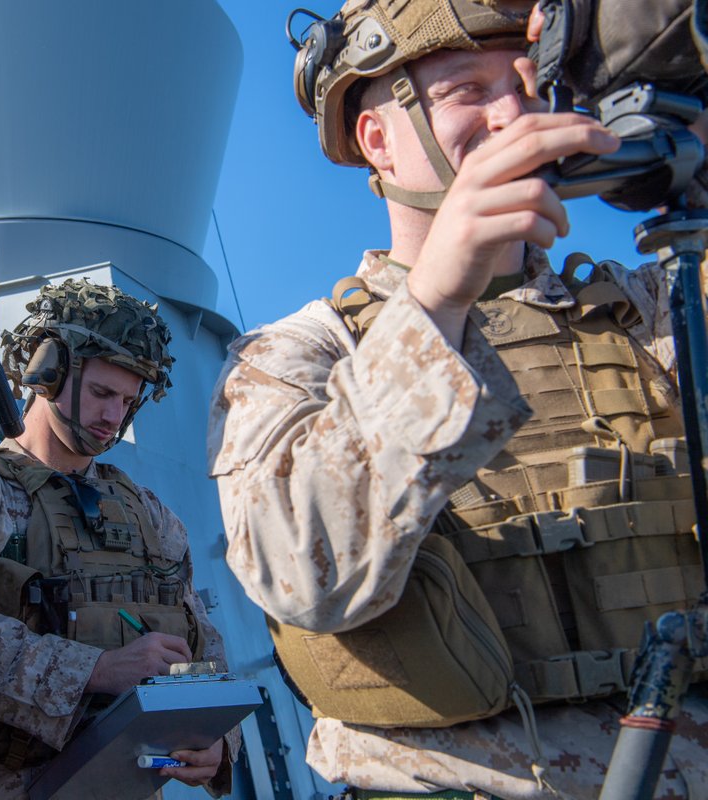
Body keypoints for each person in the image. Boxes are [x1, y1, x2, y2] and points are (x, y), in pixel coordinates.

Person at [208, 1, 707, 798]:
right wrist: (437, 302)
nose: (513, 112)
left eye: (527, 82)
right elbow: (303, 575)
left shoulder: (654, 311)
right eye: (466, 90)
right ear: (378, 139)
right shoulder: (299, 354)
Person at [0, 279, 239, 799]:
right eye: (100, 393)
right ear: (46, 372)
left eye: (128, 400)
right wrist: (96, 669)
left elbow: (202, 639)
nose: (113, 417)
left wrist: (217, 742)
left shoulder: (152, 516)